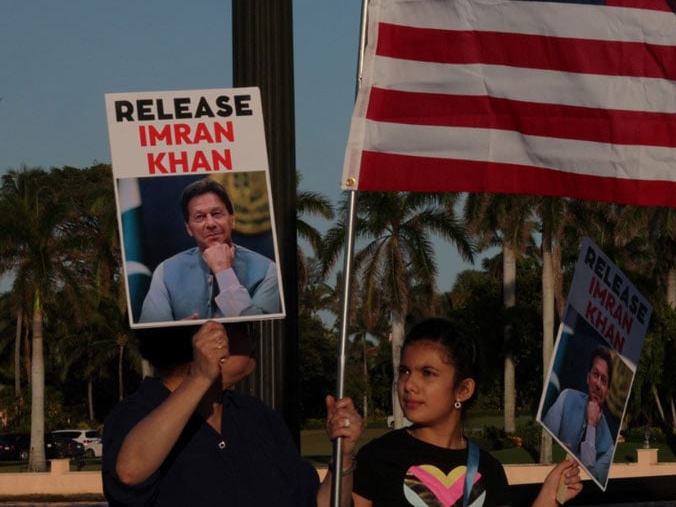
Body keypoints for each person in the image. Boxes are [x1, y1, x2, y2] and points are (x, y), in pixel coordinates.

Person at [102, 321, 362, 506]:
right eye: (245, 329)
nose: (253, 340)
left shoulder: (258, 417)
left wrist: (344, 455)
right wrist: (201, 376)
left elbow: (314, 502)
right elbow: (129, 473)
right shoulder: (137, 413)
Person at [353, 318, 583, 507]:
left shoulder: (489, 469)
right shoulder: (376, 458)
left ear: (463, 390)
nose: (409, 384)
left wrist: (549, 498)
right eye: (405, 370)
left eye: (428, 373)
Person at [140, 178, 281, 323]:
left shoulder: (268, 271)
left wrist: (224, 272)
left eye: (216, 214)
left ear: (232, 220)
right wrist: (181, 334)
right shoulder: (165, 273)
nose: (210, 223)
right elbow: (150, 335)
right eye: (200, 217)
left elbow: (263, 331)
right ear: (189, 228)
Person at [541, 347, 615, 482]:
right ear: (588, 378)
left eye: (603, 380)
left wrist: (591, 426)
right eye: (595, 375)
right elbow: (545, 434)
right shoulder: (566, 397)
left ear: (608, 392)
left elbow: (589, 479)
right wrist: (559, 449)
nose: (598, 384)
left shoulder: (609, 448)